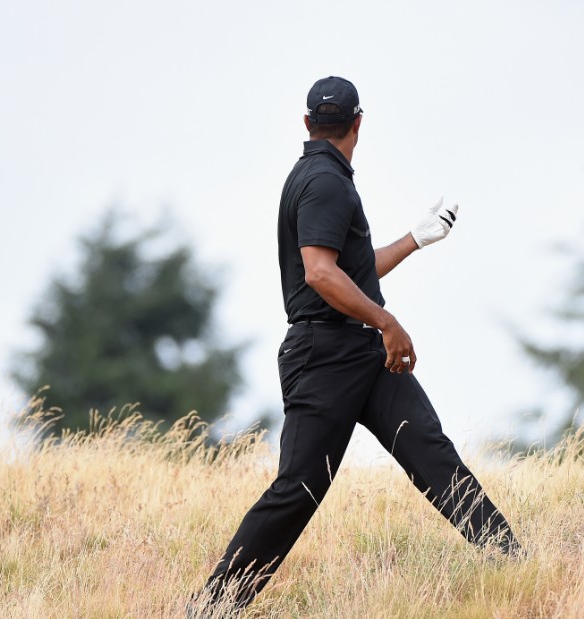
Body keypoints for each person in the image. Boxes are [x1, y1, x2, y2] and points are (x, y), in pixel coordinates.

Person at [193, 76, 520, 613]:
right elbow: (322, 276)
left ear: (306, 125)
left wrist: (416, 239)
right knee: (298, 490)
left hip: (358, 351)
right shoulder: (325, 183)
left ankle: (516, 563)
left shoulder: (319, 177)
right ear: (358, 124)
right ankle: (211, 608)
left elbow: (351, 276)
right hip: (324, 357)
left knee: (433, 455)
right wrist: (387, 321)